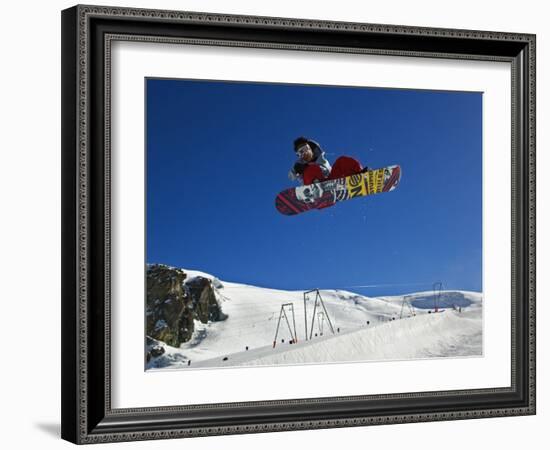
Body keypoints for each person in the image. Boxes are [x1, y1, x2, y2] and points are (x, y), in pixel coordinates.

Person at [288, 136, 366, 185]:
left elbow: (328, 171)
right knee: (311, 169)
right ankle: (317, 188)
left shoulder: (320, 157)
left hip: (330, 181)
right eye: (300, 152)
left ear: (310, 148)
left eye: (305, 149)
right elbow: (291, 176)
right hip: (313, 189)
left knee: (342, 160)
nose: (304, 153)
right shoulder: (300, 165)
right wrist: (296, 171)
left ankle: (361, 175)